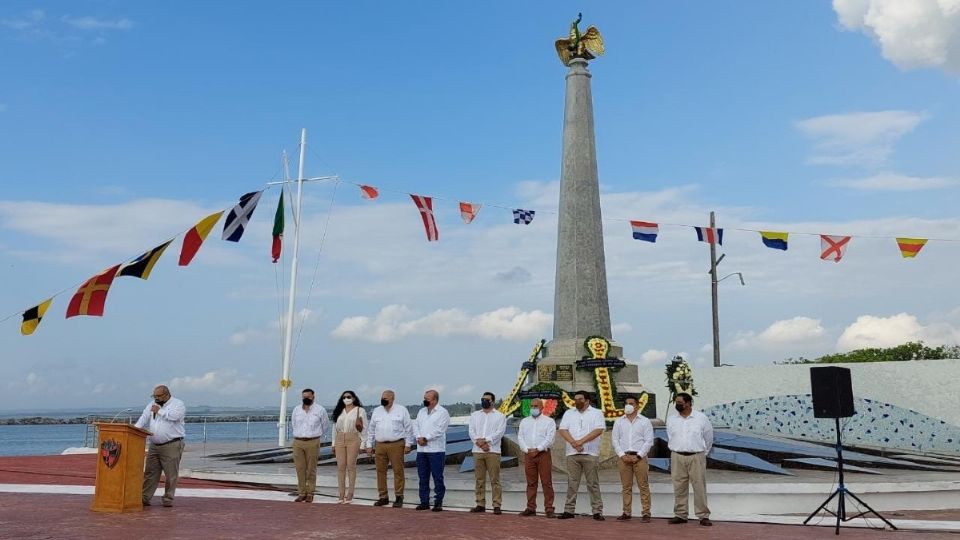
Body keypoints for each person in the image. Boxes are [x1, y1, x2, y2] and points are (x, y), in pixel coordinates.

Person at [557, 390, 606, 521]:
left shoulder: (596, 413)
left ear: (587, 400)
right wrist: (574, 443)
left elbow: (598, 430)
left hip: (590, 453)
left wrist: (581, 442)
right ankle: (569, 510)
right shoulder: (569, 413)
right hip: (572, 453)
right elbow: (562, 429)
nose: (577, 401)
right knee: (572, 483)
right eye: (576, 399)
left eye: (580, 399)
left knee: (593, 483)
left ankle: (597, 511)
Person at [667, 392, 714, 526]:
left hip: (696, 456)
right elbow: (670, 436)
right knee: (679, 486)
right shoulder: (672, 419)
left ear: (688, 403)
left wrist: (703, 453)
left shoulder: (701, 418)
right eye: (676, 402)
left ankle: (703, 515)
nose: (677, 405)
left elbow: (708, 437)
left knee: (699, 486)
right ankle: (680, 514)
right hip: (677, 456)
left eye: (680, 403)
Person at [135, 384, 186, 508]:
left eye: (158, 396)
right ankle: (144, 497)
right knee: (150, 472)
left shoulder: (178, 404)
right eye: (154, 396)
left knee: (170, 474)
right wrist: (134, 430)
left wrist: (159, 411)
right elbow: (143, 418)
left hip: (172, 444)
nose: (156, 398)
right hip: (154, 445)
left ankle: (168, 499)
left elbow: (175, 417)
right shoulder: (152, 404)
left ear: (167, 394)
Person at [366, 389, 413, 508]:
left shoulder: (401, 410)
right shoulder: (377, 411)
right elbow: (371, 429)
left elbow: (408, 428)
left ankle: (399, 496)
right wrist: (369, 445)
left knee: (398, 471)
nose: (383, 400)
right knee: (380, 471)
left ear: (392, 399)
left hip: (396, 444)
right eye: (382, 398)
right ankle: (383, 497)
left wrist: (408, 444)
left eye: (386, 398)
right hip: (380, 445)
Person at [612, 395, 654, 522]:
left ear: (637, 406)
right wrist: (622, 455)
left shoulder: (645, 421)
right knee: (626, 486)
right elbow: (615, 440)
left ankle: (646, 513)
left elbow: (649, 441)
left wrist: (639, 455)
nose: (628, 406)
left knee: (643, 486)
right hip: (624, 457)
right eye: (626, 403)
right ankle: (626, 512)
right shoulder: (619, 421)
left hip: (640, 457)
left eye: (631, 403)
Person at [468, 391, 507, 514]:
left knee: (495, 479)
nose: (484, 401)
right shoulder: (475, 415)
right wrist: (479, 443)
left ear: (492, 402)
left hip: (493, 451)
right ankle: (480, 503)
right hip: (477, 451)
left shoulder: (500, 416)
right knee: (479, 479)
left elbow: (499, 433)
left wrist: (486, 441)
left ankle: (496, 505)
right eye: (482, 399)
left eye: (487, 400)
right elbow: (471, 431)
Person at [517, 397, 557, 517]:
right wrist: (526, 449)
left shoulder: (549, 421)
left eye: (536, 406)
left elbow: (550, 438)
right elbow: (520, 437)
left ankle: (549, 508)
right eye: (532, 406)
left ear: (542, 407)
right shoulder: (524, 422)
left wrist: (538, 449)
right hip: (529, 454)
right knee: (531, 483)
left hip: (543, 454)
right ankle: (531, 508)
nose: (533, 408)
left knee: (546, 482)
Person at [413, 389, 450, 512]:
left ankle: (438, 502)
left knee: (437, 477)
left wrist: (426, 438)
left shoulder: (442, 412)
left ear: (434, 400)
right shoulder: (421, 412)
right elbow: (416, 426)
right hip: (421, 450)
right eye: (424, 398)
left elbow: (440, 430)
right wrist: (418, 437)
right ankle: (424, 501)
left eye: (427, 399)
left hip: (436, 450)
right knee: (423, 477)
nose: (424, 400)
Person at [291, 388, 329, 503]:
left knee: (311, 469)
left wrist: (316, 436)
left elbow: (325, 426)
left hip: (313, 441)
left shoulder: (320, 410)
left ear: (313, 397)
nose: (306, 398)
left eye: (308, 396)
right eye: (304, 397)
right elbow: (293, 424)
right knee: (300, 468)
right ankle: (302, 493)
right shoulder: (297, 409)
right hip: (298, 442)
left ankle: (310, 493)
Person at [332, 389, 367, 504]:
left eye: (348, 397)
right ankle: (341, 494)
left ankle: (350, 494)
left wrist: (363, 443)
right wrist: (333, 443)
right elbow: (334, 428)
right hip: (340, 438)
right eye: (344, 397)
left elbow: (364, 428)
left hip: (353, 437)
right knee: (340, 466)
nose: (346, 399)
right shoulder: (339, 410)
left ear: (354, 398)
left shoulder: (360, 410)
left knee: (351, 465)